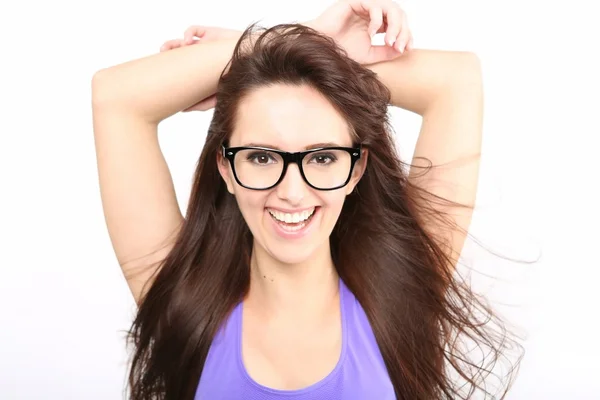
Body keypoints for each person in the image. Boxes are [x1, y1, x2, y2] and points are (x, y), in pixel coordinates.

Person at [91, 1, 521, 399]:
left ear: (355, 169)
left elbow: (457, 80)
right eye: (260, 157)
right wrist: (290, 40)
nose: (292, 192)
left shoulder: (404, 290)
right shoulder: (183, 302)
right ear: (225, 168)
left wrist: (294, 47)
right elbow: (116, 96)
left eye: (322, 157)